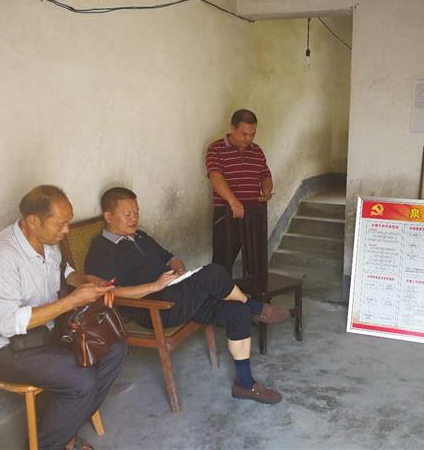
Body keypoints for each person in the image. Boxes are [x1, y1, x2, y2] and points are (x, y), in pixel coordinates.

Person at [84, 187, 289, 404]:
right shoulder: (101, 251)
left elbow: (171, 258)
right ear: (108, 217)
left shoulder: (139, 236)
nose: (134, 218)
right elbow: (106, 293)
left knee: (236, 311)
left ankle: (245, 385)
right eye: (128, 214)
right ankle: (257, 308)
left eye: (136, 212)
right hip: (155, 308)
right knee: (213, 272)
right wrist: (154, 286)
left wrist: (179, 271)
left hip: (176, 294)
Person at [0, 185, 127, 450]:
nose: (66, 231)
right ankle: (51, 443)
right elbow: (8, 324)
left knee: (114, 348)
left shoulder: (48, 243)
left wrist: (88, 282)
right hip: (6, 350)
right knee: (81, 379)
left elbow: (64, 272)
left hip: (46, 335)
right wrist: (72, 300)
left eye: (68, 222)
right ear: (33, 221)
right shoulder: (0, 257)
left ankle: (63, 431)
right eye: (61, 224)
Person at [206, 109, 273, 273]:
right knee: (222, 262)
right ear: (232, 128)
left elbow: (265, 175)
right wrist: (233, 201)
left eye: (252, 134)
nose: (248, 138)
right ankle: (221, 290)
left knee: (256, 262)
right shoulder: (216, 149)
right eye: (244, 134)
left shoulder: (257, 151)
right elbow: (215, 176)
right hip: (227, 213)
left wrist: (266, 191)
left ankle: (256, 289)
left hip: (253, 212)